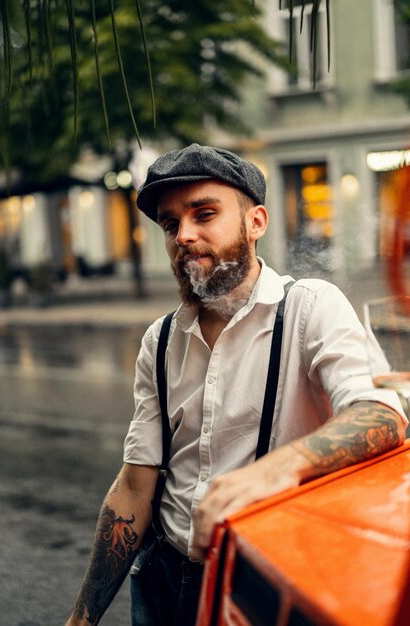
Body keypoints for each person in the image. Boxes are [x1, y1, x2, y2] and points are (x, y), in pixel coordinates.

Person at [65, 144, 407, 626]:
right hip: (162, 583)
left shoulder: (311, 308)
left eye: (205, 214)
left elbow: (382, 413)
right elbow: (134, 488)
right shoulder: (160, 341)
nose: (184, 235)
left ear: (256, 222)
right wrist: (82, 617)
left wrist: (274, 471)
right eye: (169, 224)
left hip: (260, 584)